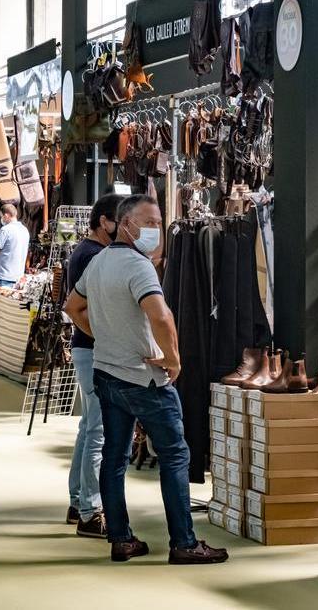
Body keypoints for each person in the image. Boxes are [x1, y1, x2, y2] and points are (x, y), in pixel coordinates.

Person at [64, 194, 228, 565]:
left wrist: (104, 335)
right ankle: (184, 542)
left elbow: (73, 307)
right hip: (144, 378)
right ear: (125, 224)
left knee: (114, 456)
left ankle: (121, 539)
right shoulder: (138, 267)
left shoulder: (99, 261)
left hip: (107, 372)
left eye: (158, 221)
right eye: (148, 221)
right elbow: (162, 316)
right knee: (174, 456)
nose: (156, 229)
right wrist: (174, 359)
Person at [63, 193, 124, 539]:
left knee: (89, 428)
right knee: (98, 431)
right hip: (92, 351)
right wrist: (101, 338)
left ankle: (78, 501)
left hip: (86, 350)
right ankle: (89, 510)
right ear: (104, 221)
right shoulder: (93, 256)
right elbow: (80, 309)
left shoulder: (87, 253)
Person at [0, 203, 29, 288]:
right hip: (18, 276)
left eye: (1, 216)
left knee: (1, 301)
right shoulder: (24, 230)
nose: (1, 219)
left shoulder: (5, 230)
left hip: (4, 276)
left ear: (6, 215)